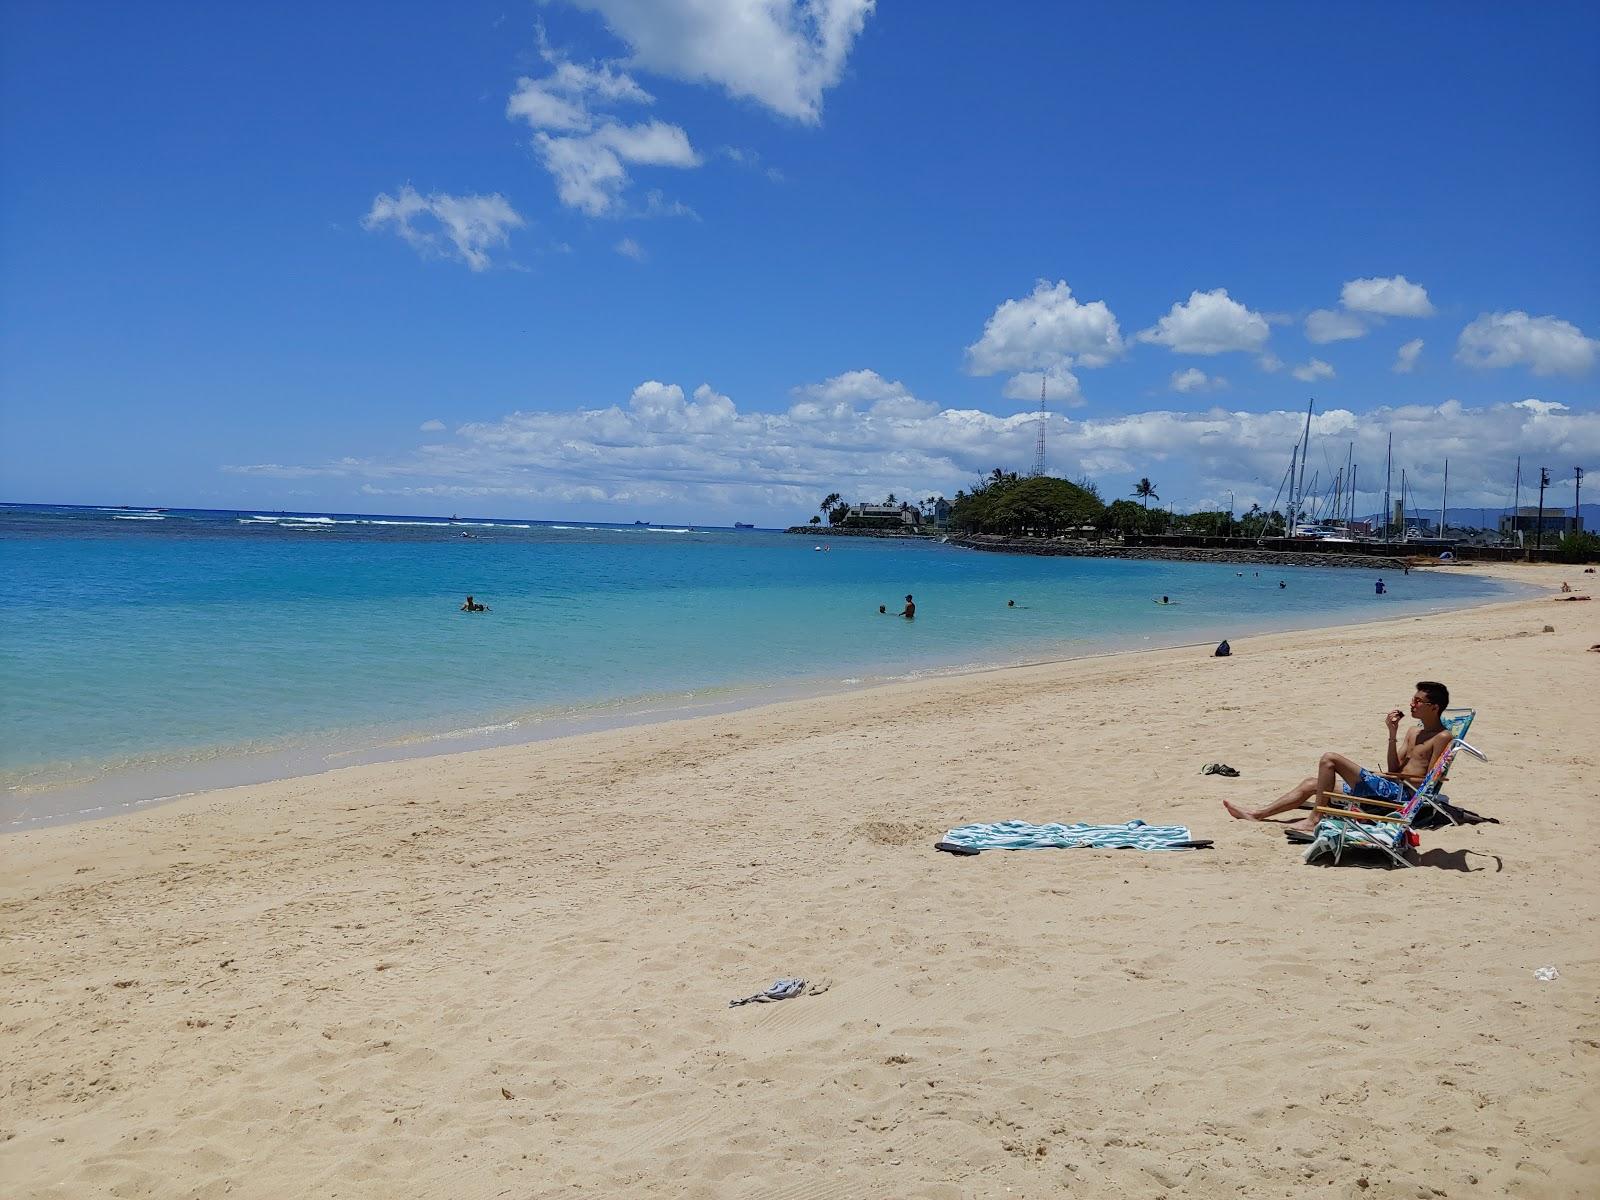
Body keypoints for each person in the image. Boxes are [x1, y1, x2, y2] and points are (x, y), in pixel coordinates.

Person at [1223, 681, 1454, 832]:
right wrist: (1392, 734)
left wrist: (1395, 779)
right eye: (1412, 700)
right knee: (1311, 783)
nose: (1411, 704)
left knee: (1329, 759)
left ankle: (1315, 818)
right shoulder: (1414, 731)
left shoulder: (1442, 737)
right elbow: (1393, 765)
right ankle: (1257, 814)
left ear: (1434, 707)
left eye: (1417, 701)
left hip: (1402, 795)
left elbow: (1429, 783)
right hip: (1388, 785)